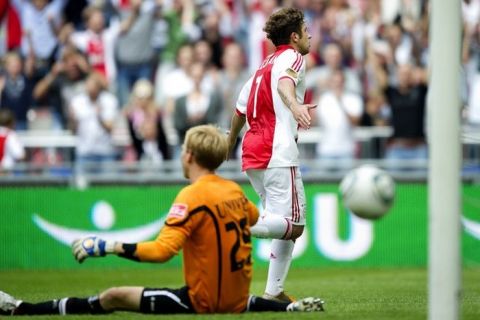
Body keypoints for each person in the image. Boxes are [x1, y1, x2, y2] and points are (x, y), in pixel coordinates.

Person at [0, 125, 324, 316]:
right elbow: (252, 221)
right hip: (236, 300)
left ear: (188, 156)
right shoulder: (234, 193)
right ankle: (281, 306)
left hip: (202, 303)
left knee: (113, 295)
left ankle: (23, 309)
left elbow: (161, 252)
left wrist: (107, 245)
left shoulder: (191, 196)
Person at [227, 8, 316, 303]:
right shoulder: (293, 57)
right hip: (277, 151)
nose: (310, 35)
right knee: (296, 225)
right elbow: (285, 85)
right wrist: (294, 107)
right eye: (306, 30)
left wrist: (228, 145)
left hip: (253, 152)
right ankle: (235, 226)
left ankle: (274, 291)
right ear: (294, 36)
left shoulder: (262, 67)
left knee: (280, 225)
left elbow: (240, 110)